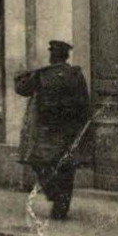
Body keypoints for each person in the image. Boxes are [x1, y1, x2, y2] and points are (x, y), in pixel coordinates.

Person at [14, 39, 92, 221]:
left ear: (53, 56)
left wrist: (19, 73)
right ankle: (60, 207)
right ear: (65, 56)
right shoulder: (75, 75)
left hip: (46, 131)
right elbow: (85, 104)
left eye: (52, 53)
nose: (51, 56)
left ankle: (54, 195)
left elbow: (22, 89)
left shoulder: (43, 75)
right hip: (68, 131)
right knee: (66, 168)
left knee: (40, 163)